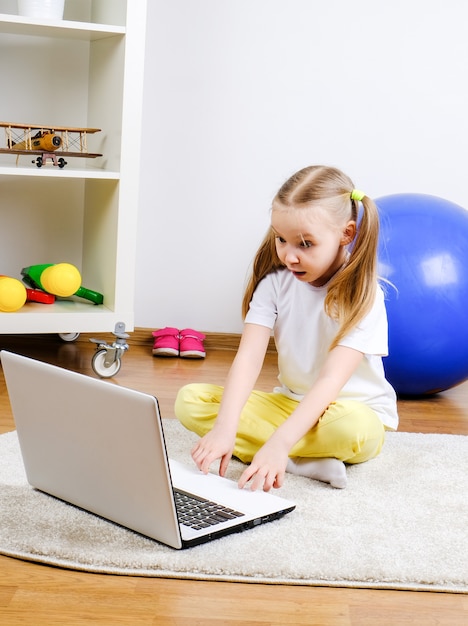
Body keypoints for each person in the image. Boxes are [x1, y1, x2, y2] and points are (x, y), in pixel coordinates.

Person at [175, 165, 398, 492]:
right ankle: (302, 461)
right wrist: (224, 427)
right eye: (282, 239)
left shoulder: (363, 294)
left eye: (305, 244)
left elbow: (331, 381)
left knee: (354, 430)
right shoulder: (274, 285)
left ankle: (276, 451)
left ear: (346, 234)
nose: (288, 256)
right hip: (290, 403)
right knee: (190, 400)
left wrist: (279, 442)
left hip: (348, 411)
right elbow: (249, 360)